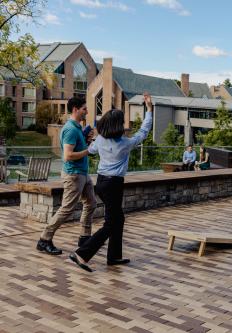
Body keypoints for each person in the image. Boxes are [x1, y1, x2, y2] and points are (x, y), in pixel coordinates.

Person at [69, 93, 153, 272]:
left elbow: (90, 150)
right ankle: (82, 254)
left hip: (101, 183)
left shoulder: (100, 139)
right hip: (114, 185)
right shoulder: (125, 143)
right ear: (118, 125)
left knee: (118, 219)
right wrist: (149, 109)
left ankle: (114, 256)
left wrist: (89, 138)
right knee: (111, 223)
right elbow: (144, 132)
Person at [36, 97, 96, 255]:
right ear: (75, 109)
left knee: (91, 203)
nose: (87, 112)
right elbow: (68, 155)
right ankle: (44, 239)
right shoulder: (70, 129)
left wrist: (86, 142)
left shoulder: (77, 128)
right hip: (73, 174)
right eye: (84, 109)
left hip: (83, 173)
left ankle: (84, 238)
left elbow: (77, 148)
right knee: (66, 209)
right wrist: (88, 151)